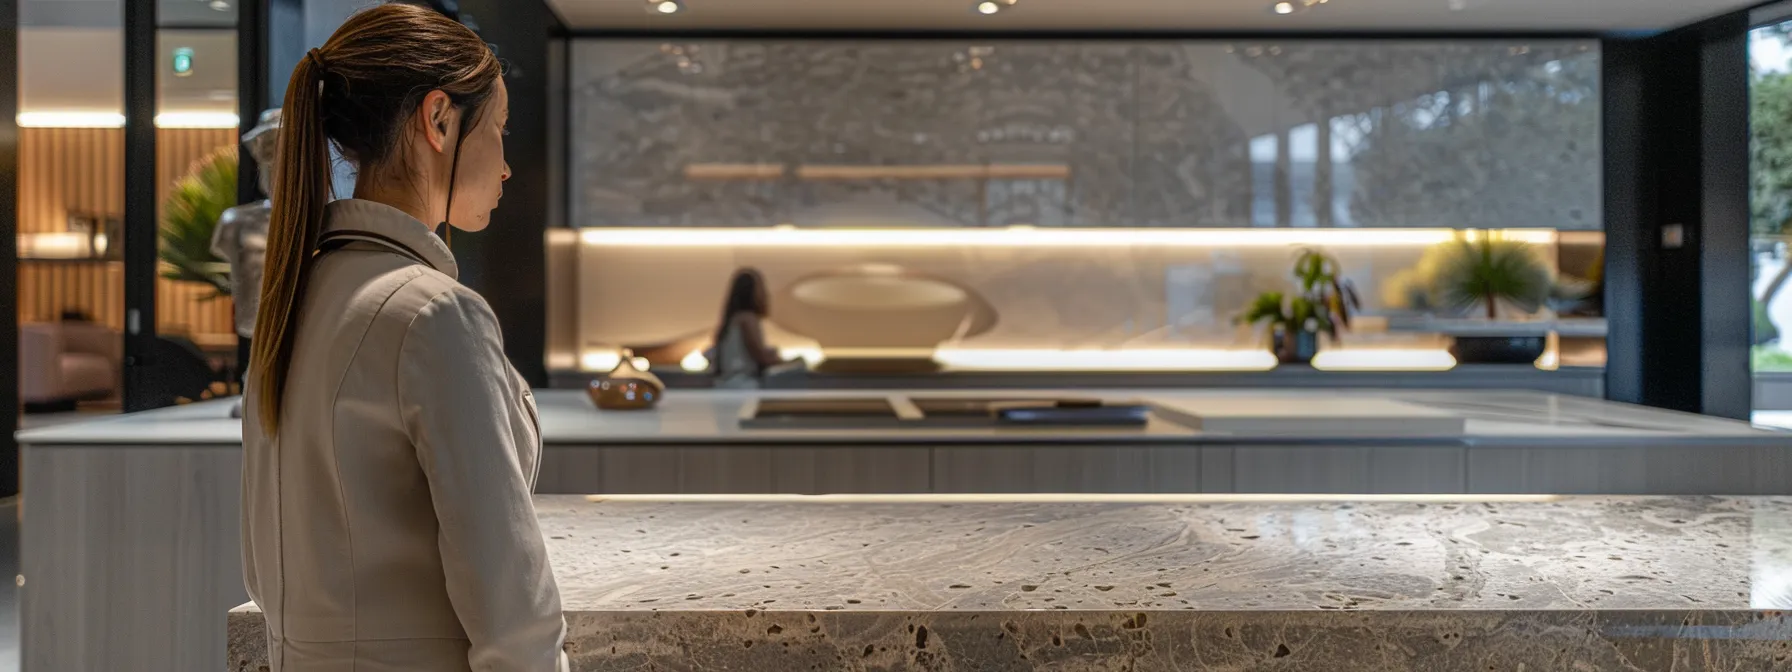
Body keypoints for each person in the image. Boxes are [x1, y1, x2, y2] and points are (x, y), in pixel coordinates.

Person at [240, 4, 567, 671]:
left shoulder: (295, 301)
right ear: (438, 119)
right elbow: (515, 622)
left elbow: (261, 575)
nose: (506, 164)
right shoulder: (434, 314)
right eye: (499, 128)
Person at [214, 109, 277, 417]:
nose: (276, 165)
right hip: (254, 315)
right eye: (269, 154)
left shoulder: (323, 221)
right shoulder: (236, 222)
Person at [710, 268, 788, 388]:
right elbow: (760, 355)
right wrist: (781, 361)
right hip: (743, 385)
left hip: (726, 384)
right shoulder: (748, 319)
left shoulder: (731, 321)